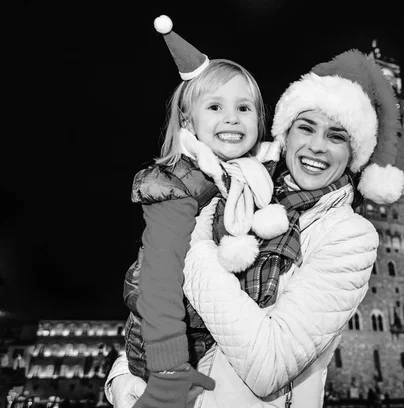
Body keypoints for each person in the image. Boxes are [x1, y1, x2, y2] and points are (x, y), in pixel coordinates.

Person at [106, 48, 404, 407]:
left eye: (337, 136)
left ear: (354, 153)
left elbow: (269, 369)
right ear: (285, 134)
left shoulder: (351, 236)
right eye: (306, 128)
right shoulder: (249, 192)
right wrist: (125, 379)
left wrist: (194, 240)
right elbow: (159, 300)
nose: (316, 146)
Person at [123, 15, 285, 408]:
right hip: (169, 352)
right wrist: (167, 373)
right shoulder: (179, 185)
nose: (232, 117)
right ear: (187, 119)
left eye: (244, 107)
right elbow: (158, 281)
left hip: (210, 343)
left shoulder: (247, 178)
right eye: (215, 106)